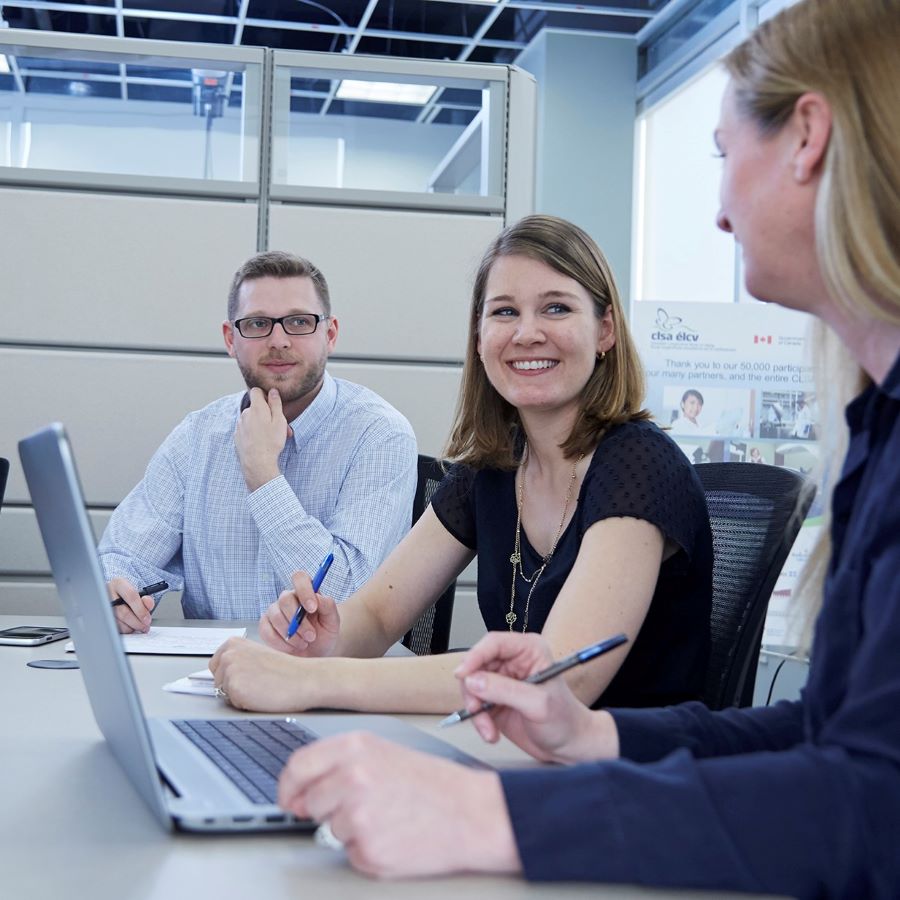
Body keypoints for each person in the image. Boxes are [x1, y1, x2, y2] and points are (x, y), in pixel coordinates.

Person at [269, 0, 900, 894]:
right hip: (634, 811)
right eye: (504, 312)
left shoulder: (644, 463)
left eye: (723, 158)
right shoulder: (878, 433)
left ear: (807, 137)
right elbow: (824, 732)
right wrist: (593, 739)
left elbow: (873, 804)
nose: (719, 214)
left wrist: (486, 811)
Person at [209, 215, 713, 714]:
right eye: (504, 312)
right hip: (517, 759)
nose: (527, 333)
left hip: (628, 777)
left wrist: (315, 680)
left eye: (556, 308)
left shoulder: (640, 463)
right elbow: (380, 613)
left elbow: (558, 676)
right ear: (479, 337)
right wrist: (326, 638)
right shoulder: (491, 467)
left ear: (605, 330)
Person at [99, 251, 417, 632]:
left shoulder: (379, 435)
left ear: (329, 334)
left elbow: (346, 596)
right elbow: (121, 556)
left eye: (299, 322)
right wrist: (116, 592)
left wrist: (263, 473)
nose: (279, 340)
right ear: (230, 339)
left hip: (329, 679)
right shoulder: (197, 437)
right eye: (257, 324)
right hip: (214, 672)